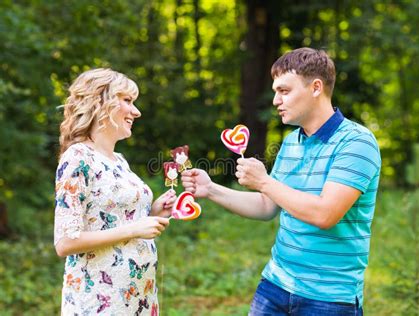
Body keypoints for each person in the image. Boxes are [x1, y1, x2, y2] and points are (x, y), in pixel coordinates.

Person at [182, 48, 381, 315]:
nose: (276, 100)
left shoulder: (357, 142)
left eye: (284, 91)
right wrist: (210, 189)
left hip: (328, 299)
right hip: (275, 285)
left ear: (316, 87)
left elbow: (325, 214)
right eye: (275, 91)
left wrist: (264, 182)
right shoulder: (291, 143)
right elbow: (267, 206)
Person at [54, 68, 175, 315]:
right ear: (100, 103)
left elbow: (114, 221)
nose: (136, 111)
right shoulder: (77, 157)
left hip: (138, 298)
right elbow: (65, 242)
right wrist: (134, 229)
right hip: (100, 303)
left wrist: (153, 213)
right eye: (127, 101)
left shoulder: (118, 160)